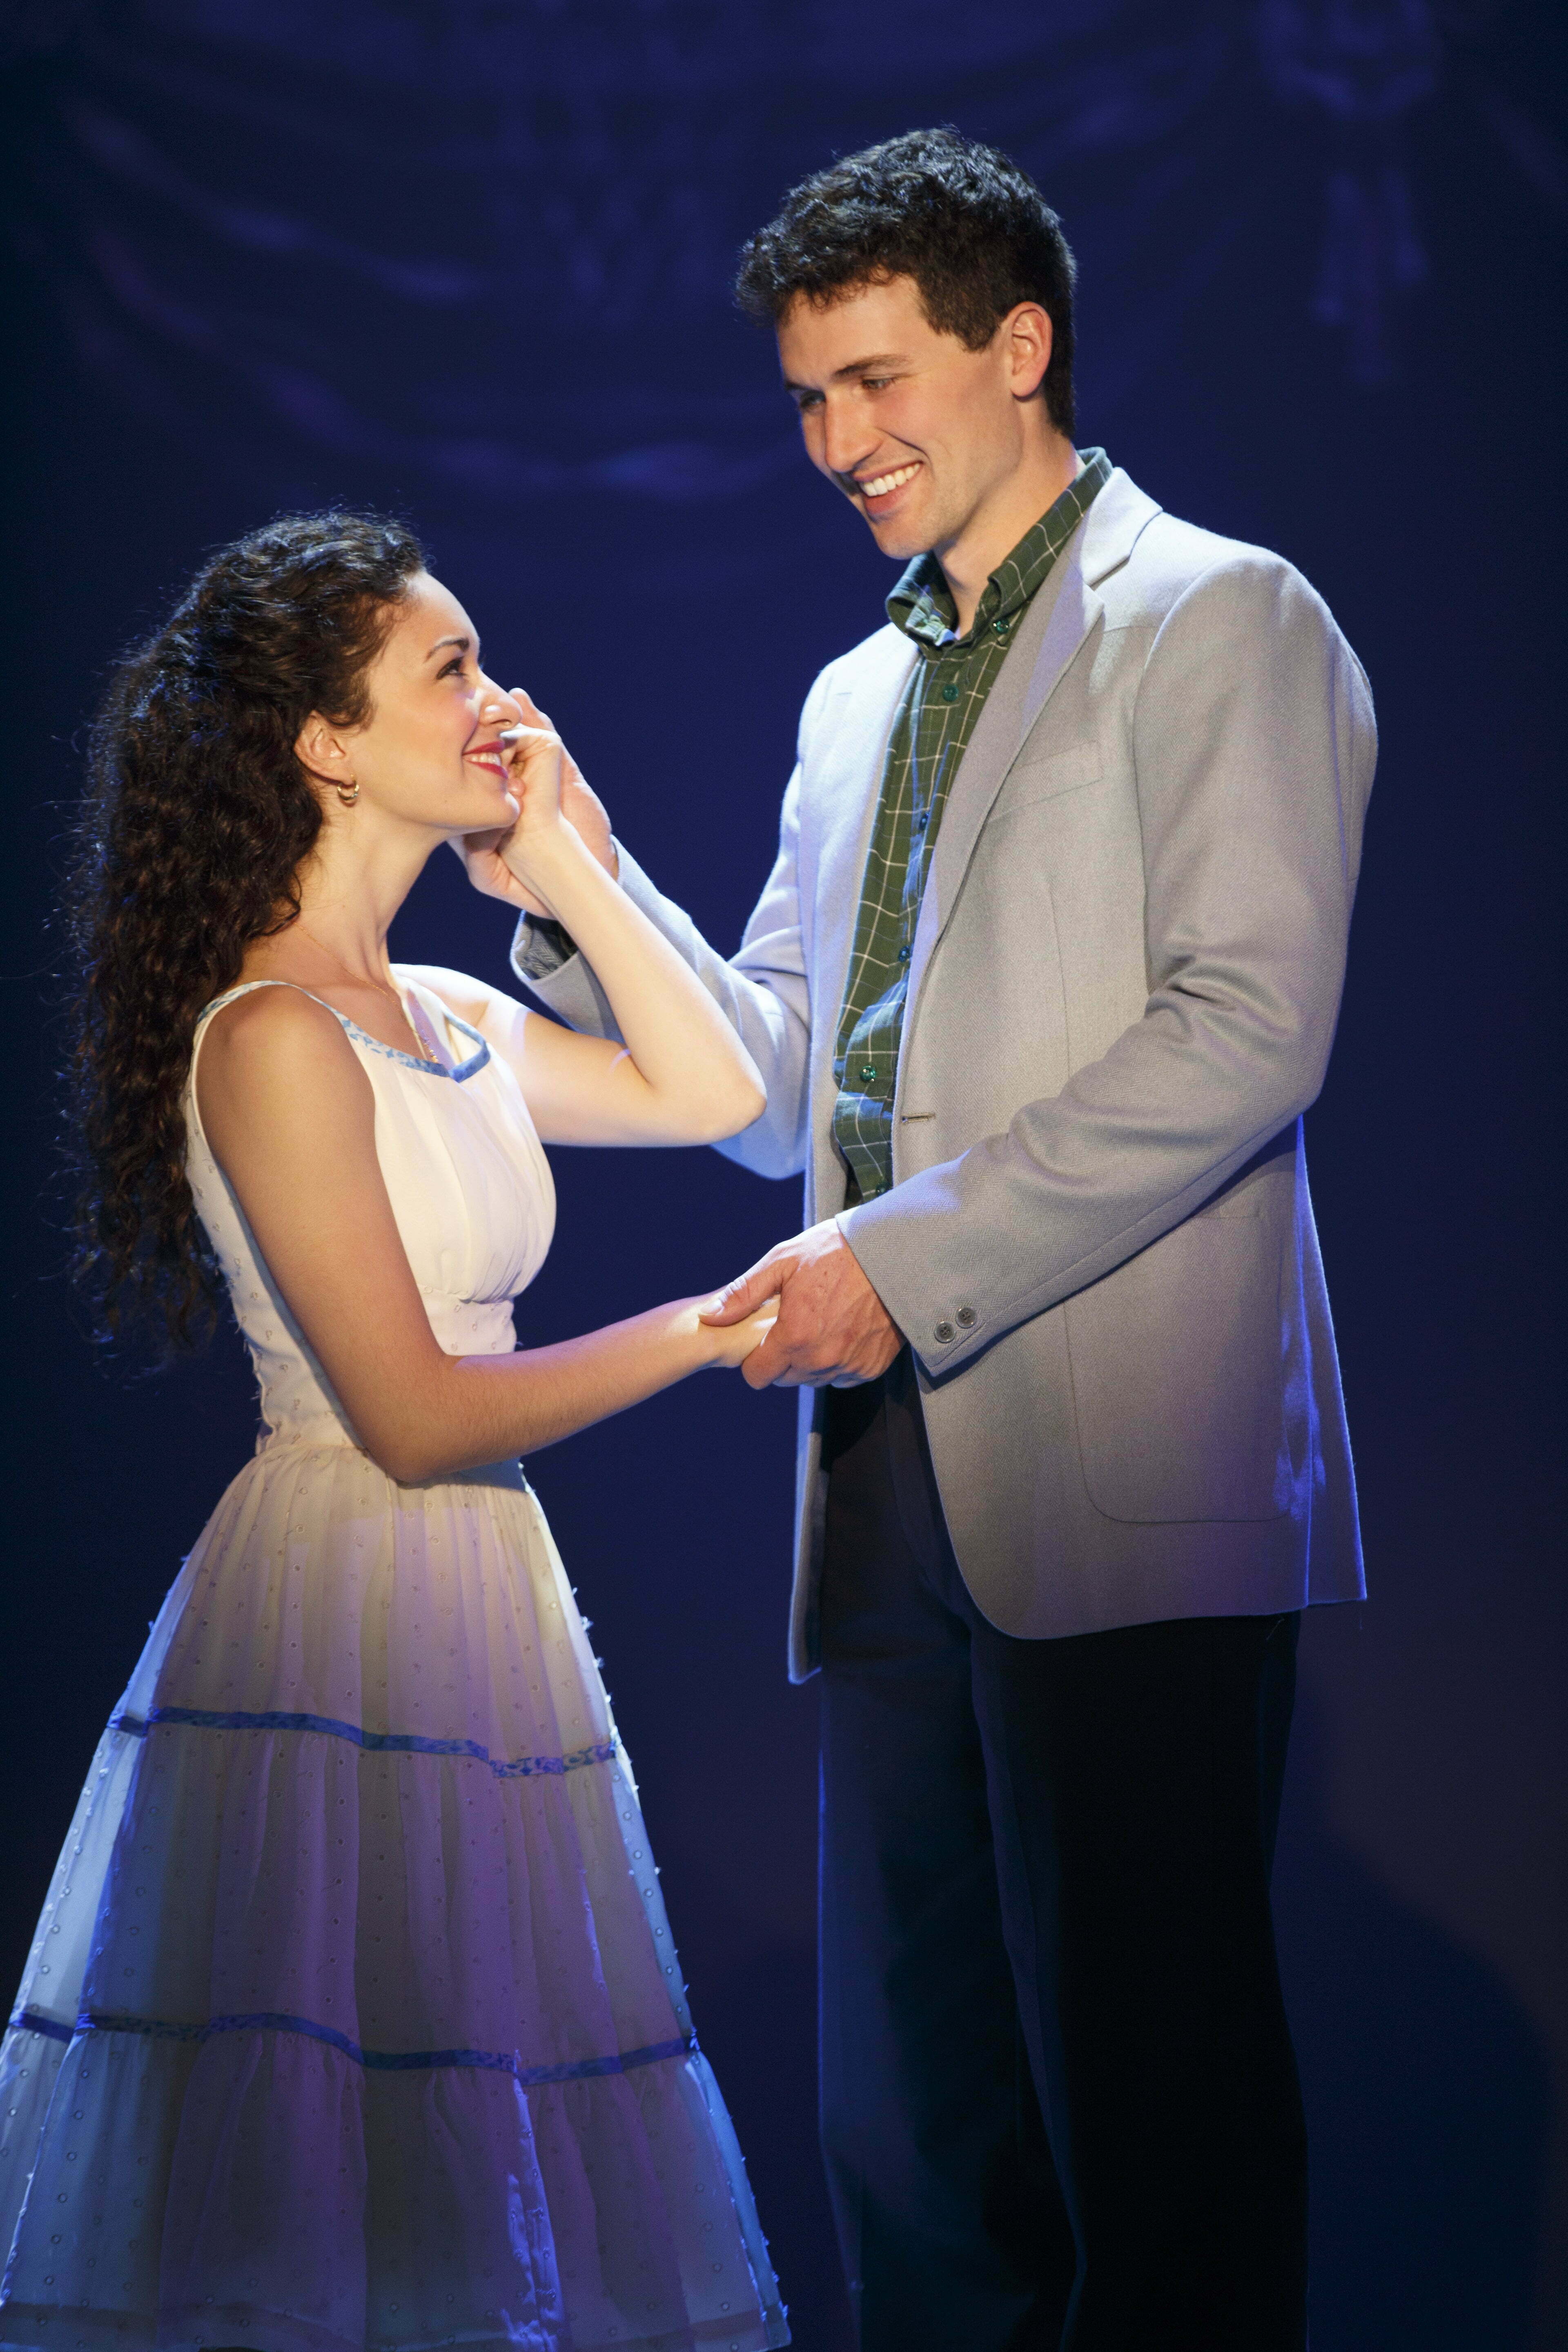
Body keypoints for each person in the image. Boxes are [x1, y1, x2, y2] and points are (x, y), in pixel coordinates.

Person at [503, 129, 1377, 2352]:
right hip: (884, 1468)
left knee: (1149, 2110)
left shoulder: (1221, 615)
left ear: (1021, 345)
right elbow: (776, 1081)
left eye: (876, 382)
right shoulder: (853, 696)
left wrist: (897, 1259)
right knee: (913, 2128)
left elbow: (1249, 1030)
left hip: (1119, 1454)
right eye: (810, 399)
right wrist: (578, 881)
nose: (839, 443)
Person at [0, 510, 791, 2351]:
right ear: (326, 742)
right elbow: (418, 1417)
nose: (497, 698)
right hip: (345, 1586)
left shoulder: (438, 1010)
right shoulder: (273, 1033)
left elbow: (719, 1090)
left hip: (486, 1596)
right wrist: (697, 1333)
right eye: (449, 669)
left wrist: (564, 859)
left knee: (479, 2089)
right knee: (331, 2118)